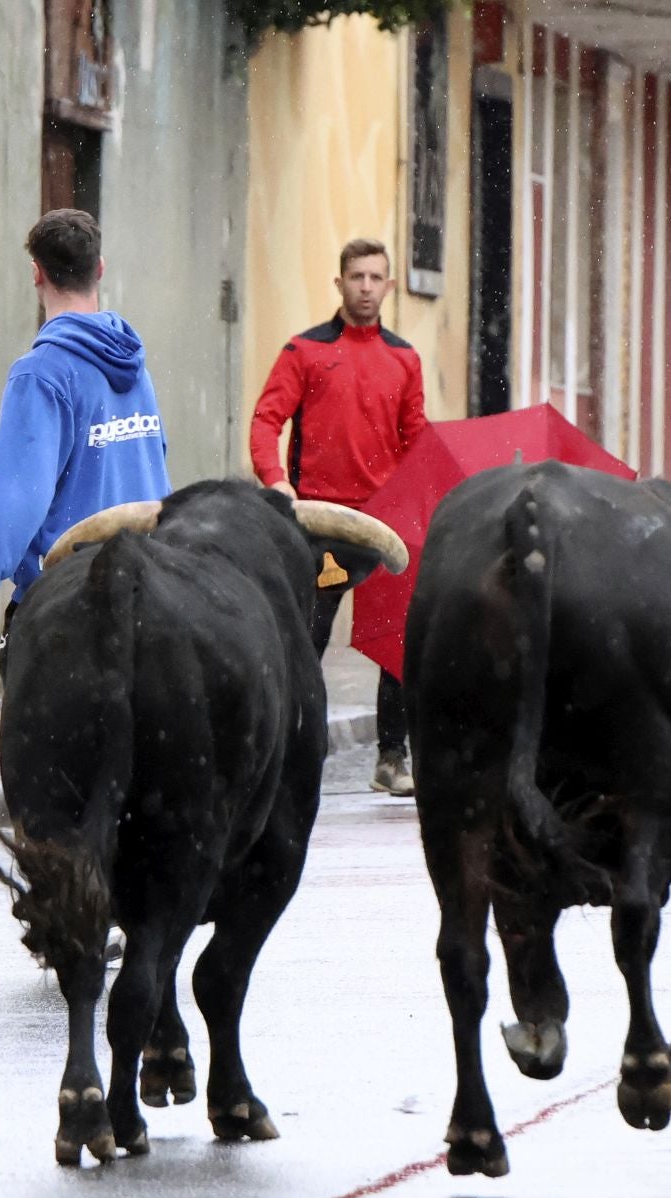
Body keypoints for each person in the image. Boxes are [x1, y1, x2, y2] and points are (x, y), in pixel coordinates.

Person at [0, 209, 171, 657]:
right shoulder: (135, 367)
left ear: (36, 273)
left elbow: (23, 494)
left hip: (73, 599)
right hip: (149, 590)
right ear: (99, 268)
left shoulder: (40, 374)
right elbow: (155, 463)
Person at [250, 237, 429, 796]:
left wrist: (428, 496)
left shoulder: (404, 358)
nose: (367, 288)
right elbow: (265, 421)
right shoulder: (304, 351)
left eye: (377, 278)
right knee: (306, 641)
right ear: (340, 283)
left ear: (390, 285)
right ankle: (290, 753)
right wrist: (277, 485)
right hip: (321, 523)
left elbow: (417, 437)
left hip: (385, 526)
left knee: (396, 642)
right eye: (358, 277)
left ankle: (391, 759)